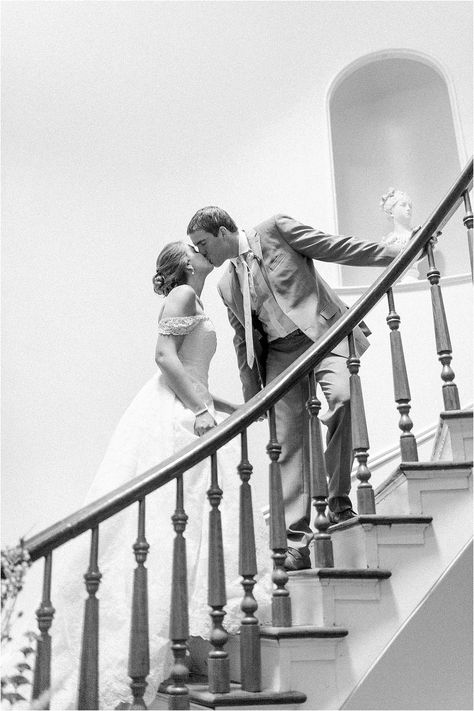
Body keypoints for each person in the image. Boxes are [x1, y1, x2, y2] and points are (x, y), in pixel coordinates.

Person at [48, 242, 271, 710]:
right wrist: (199, 410)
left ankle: (185, 640)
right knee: (175, 519)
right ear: (187, 262)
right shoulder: (184, 296)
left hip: (190, 404)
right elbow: (165, 358)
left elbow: (195, 373)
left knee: (190, 523)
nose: (202, 249)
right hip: (172, 413)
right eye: (195, 247)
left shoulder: (197, 298)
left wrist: (234, 407)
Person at [187, 208, 404, 572]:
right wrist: (253, 397)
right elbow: (244, 342)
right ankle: (294, 542)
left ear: (223, 231)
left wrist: (394, 253)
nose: (201, 253)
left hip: (323, 334)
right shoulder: (225, 284)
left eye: (203, 244)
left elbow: (333, 247)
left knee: (342, 398)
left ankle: (337, 499)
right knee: (287, 441)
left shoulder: (275, 229)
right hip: (280, 354)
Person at [380, 188, 419, 281]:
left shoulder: (417, 233)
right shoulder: (387, 241)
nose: (408, 208)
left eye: (410, 206)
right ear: (390, 212)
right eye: (403, 205)